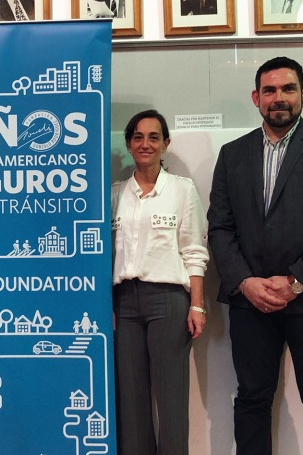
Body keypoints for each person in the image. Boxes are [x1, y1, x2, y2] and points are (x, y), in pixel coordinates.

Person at [207, 56, 303, 455]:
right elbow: (220, 227)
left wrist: (296, 282)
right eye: (269, 90)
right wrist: (245, 282)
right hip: (250, 301)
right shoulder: (232, 154)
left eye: (288, 89)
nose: (278, 98)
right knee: (251, 399)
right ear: (256, 98)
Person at [111, 110, 208, 455]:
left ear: (165, 144)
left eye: (153, 137)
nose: (145, 144)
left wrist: (197, 305)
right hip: (124, 302)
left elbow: (194, 250)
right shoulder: (115, 194)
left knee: (171, 397)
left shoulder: (182, 190)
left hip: (168, 301)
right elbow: (106, 255)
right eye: (138, 137)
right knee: (131, 398)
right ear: (128, 144)